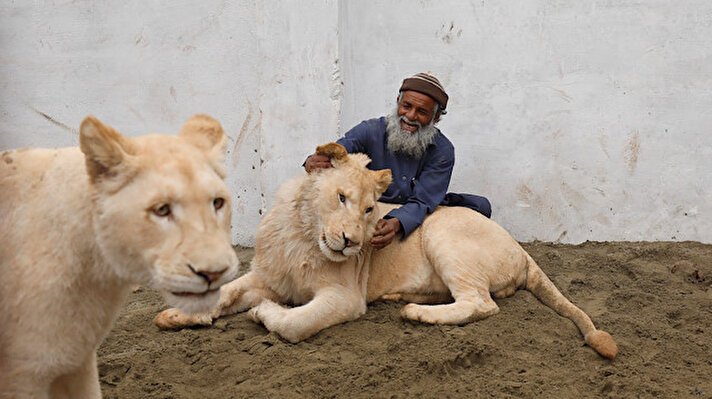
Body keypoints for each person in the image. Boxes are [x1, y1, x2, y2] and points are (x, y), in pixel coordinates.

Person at [304, 72, 491, 249]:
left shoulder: (442, 150)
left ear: (434, 117)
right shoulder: (370, 130)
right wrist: (312, 162)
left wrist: (398, 222)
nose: (410, 116)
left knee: (480, 207)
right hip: (369, 208)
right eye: (407, 106)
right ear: (398, 102)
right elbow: (337, 156)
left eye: (422, 112)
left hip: (414, 210)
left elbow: (424, 201)